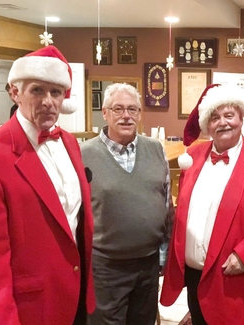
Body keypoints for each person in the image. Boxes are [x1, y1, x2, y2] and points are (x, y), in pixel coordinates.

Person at [0, 45, 95, 325]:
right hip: (27, 310)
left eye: (55, 92)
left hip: (74, 297)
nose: (48, 101)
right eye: (37, 90)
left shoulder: (69, 143)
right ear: (15, 93)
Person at [160, 84, 244, 325]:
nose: (222, 123)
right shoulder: (193, 157)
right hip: (196, 281)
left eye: (229, 115)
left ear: (241, 118)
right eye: (214, 117)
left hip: (241, 285)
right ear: (206, 125)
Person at [81, 83, 174, 325]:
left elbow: (166, 204)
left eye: (132, 110)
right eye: (118, 109)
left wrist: (164, 253)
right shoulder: (83, 154)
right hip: (106, 267)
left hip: (148, 264)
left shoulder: (155, 150)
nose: (126, 116)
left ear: (140, 114)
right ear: (105, 112)